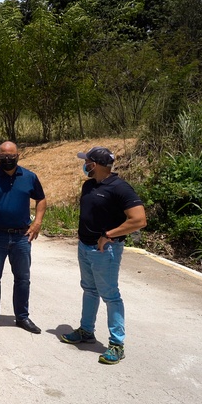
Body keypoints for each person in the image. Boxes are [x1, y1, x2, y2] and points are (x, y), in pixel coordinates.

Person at [59, 146, 146, 365]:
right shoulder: (89, 185)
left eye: (86, 161)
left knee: (110, 295)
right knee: (89, 290)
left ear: (94, 164)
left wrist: (109, 235)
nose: (84, 165)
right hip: (85, 247)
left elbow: (138, 220)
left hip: (105, 251)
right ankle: (86, 331)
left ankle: (117, 345)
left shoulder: (120, 188)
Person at [0, 141, 47, 334]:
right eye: (3, 155)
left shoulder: (29, 177)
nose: (7, 159)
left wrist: (37, 222)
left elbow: (41, 199)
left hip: (21, 237)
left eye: (10, 155)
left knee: (23, 278)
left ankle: (22, 317)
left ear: (18, 155)